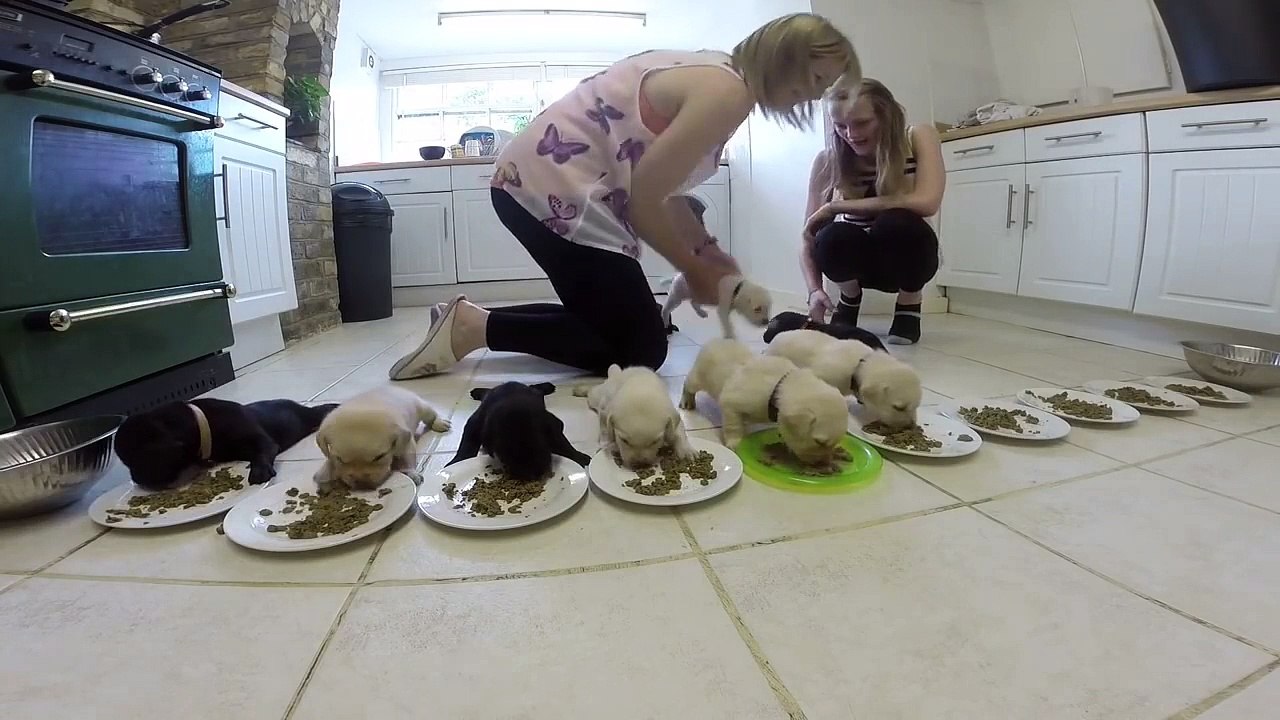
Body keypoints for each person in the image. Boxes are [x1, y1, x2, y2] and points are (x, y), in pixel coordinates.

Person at [389, 13, 860, 380]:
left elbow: (660, 184)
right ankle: (472, 328)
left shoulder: (713, 71)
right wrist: (694, 269)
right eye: (817, 81)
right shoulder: (727, 92)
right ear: (788, 58)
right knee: (641, 348)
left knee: (621, 324)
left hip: (541, 187)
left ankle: (467, 319)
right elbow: (645, 198)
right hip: (554, 194)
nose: (814, 97)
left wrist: (706, 251)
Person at [799, 78, 945, 345]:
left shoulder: (918, 137)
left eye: (862, 123)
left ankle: (909, 303)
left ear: (886, 116)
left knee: (897, 223)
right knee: (831, 236)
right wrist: (814, 290)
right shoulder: (827, 161)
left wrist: (837, 205)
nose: (851, 134)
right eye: (841, 125)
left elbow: (927, 202)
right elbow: (808, 235)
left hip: (906, 258)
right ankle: (849, 299)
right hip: (859, 265)